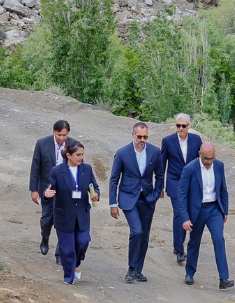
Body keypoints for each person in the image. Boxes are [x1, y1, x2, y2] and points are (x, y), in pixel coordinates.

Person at [109, 121, 165, 283]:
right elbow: (114, 179)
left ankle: (138, 270)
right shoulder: (122, 153)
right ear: (133, 135)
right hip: (128, 198)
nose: (142, 139)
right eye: (139, 136)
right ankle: (131, 268)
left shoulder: (155, 152)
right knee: (137, 231)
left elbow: (160, 175)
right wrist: (113, 203)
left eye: (145, 136)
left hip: (147, 199)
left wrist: (155, 194)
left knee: (145, 236)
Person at [43, 138, 100, 284]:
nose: (81, 157)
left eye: (82, 155)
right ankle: (68, 277)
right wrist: (46, 193)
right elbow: (50, 187)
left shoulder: (86, 169)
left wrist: (96, 194)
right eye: (78, 155)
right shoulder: (57, 171)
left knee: (83, 241)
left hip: (82, 213)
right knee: (67, 249)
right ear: (68, 155)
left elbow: (94, 186)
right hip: (64, 214)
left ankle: (77, 263)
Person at [178, 141, 234, 289]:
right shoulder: (189, 169)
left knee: (219, 239)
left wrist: (225, 210)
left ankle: (224, 278)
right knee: (194, 241)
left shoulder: (219, 166)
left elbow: (223, 189)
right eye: (206, 159)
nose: (209, 162)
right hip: (197, 211)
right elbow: (181, 195)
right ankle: (190, 272)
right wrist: (184, 217)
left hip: (214, 209)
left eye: (211, 158)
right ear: (200, 155)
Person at [161, 112, 204, 264]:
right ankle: (179, 249)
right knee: (180, 213)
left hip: (192, 184)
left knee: (189, 213)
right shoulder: (168, 141)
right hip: (174, 182)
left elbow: (202, 161)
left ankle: (178, 244)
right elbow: (162, 164)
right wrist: (160, 185)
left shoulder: (196, 140)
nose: (180, 128)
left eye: (183, 126)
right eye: (178, 125)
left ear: (189, 127)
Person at [29, 120, 70, 256]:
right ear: (54, 132)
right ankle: (45, 239)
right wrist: (34, 190)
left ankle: (60, 252)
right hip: (47, 189)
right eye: (59, 135)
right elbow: (35, 167)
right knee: (47, 220)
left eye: (64, 135)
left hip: (65, 190)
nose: (61, 138)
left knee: (64, 222)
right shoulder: (42, 144)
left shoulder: (73, 145)